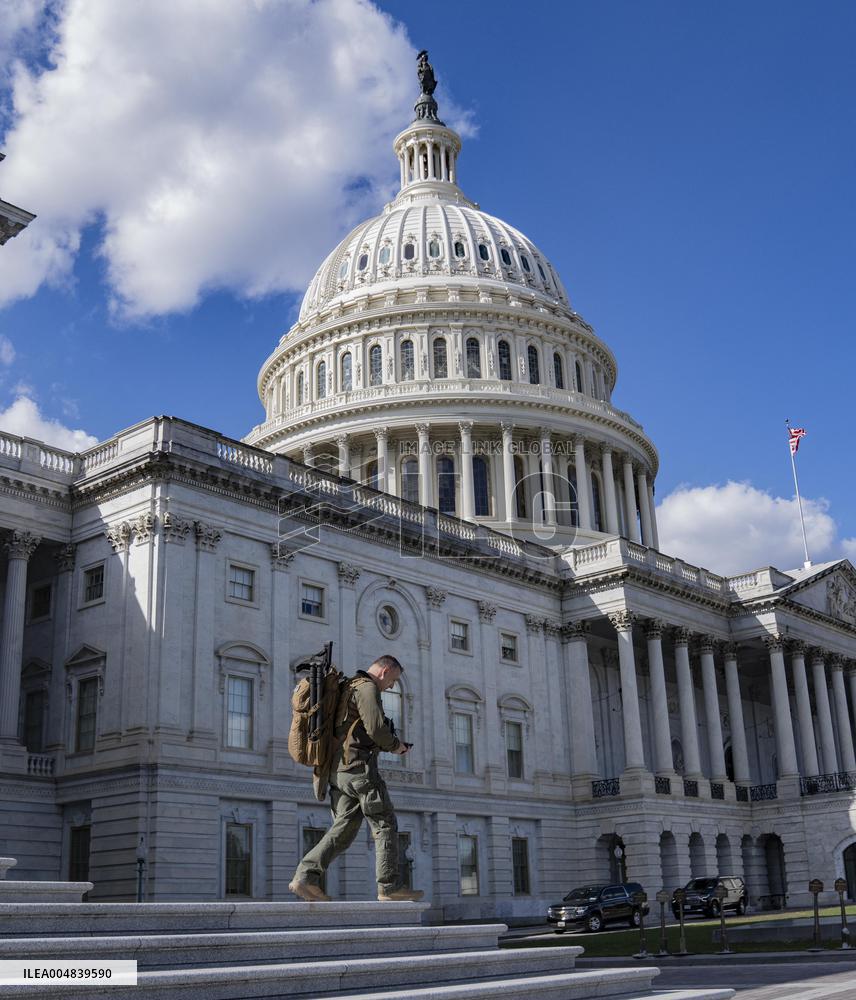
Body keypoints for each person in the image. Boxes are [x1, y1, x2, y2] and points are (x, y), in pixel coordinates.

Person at [288, 654, 424, 902]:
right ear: (384, 672)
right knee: (384, 823)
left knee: (344, 829)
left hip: (335, 773)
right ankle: (390, 887)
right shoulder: (367, 687)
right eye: (392, 681)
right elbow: (376, 728)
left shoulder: (347, 686)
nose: (391, 686)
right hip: (358, 769)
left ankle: (305, 877)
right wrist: (396, 746)